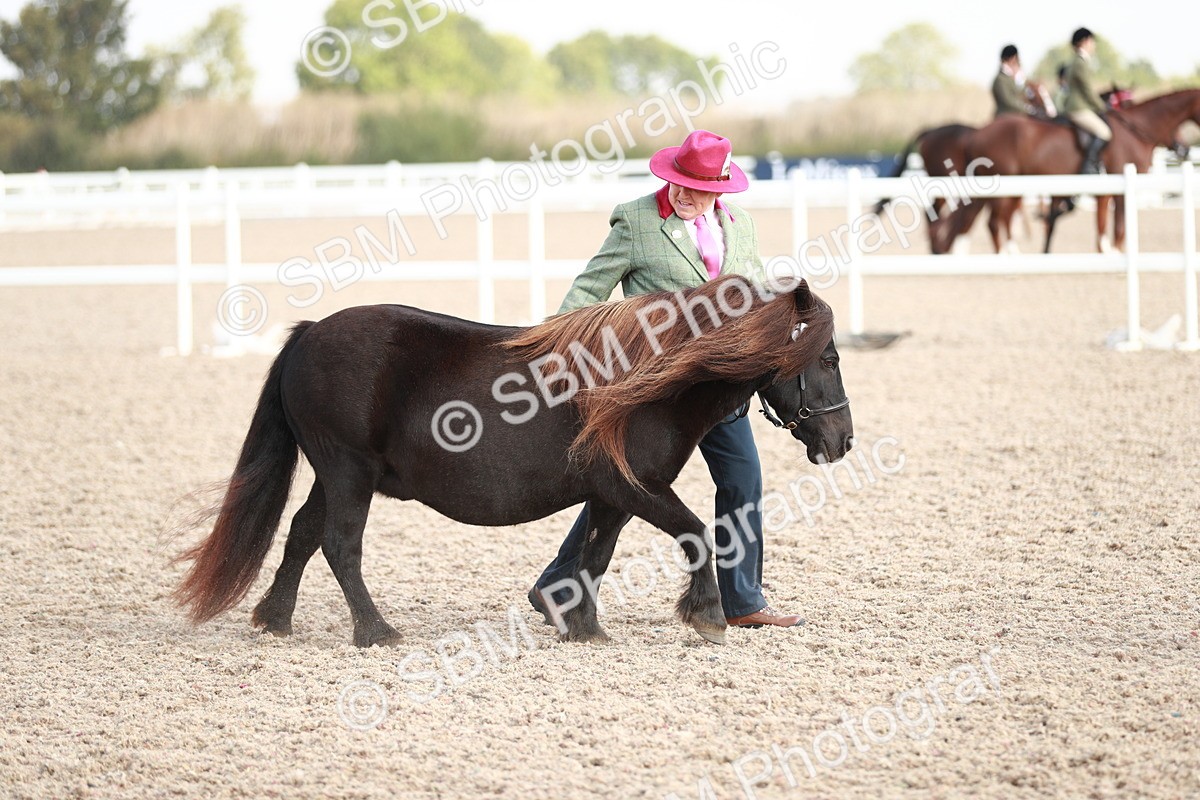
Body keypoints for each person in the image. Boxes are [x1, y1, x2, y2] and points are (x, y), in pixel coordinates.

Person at [528, 129, 804, 631]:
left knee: (743, 480)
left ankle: (743, 600)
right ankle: (559, 585)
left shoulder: (741, 226)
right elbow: (591, 286)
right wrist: (553, 349)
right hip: (654, 389)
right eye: (677, 181)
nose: (681, 193)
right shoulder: (635, 220)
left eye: (695, 188)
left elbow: (757, 297)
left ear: (720, 191)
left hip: (719, 388)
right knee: (631, 485)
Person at [1063, 27, 1112, 174]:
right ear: (1085, 41)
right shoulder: (1080, 63)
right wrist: (1103, 107)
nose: (1094, 45)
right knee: (1104, 132)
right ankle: (1088, 166)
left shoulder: (1076, 62)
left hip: (1077, 106)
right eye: (1092, 41)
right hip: (1079, 108)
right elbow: (1088, 91)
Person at [992, 44, 1035, 117]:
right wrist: (1027, 109)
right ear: (1012, 58)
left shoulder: (1011, 78)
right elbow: (1008, 101)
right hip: (1004, 117)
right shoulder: (1000, 79)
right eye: (1016, 60)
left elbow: (1020, 94)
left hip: (1016, 115)